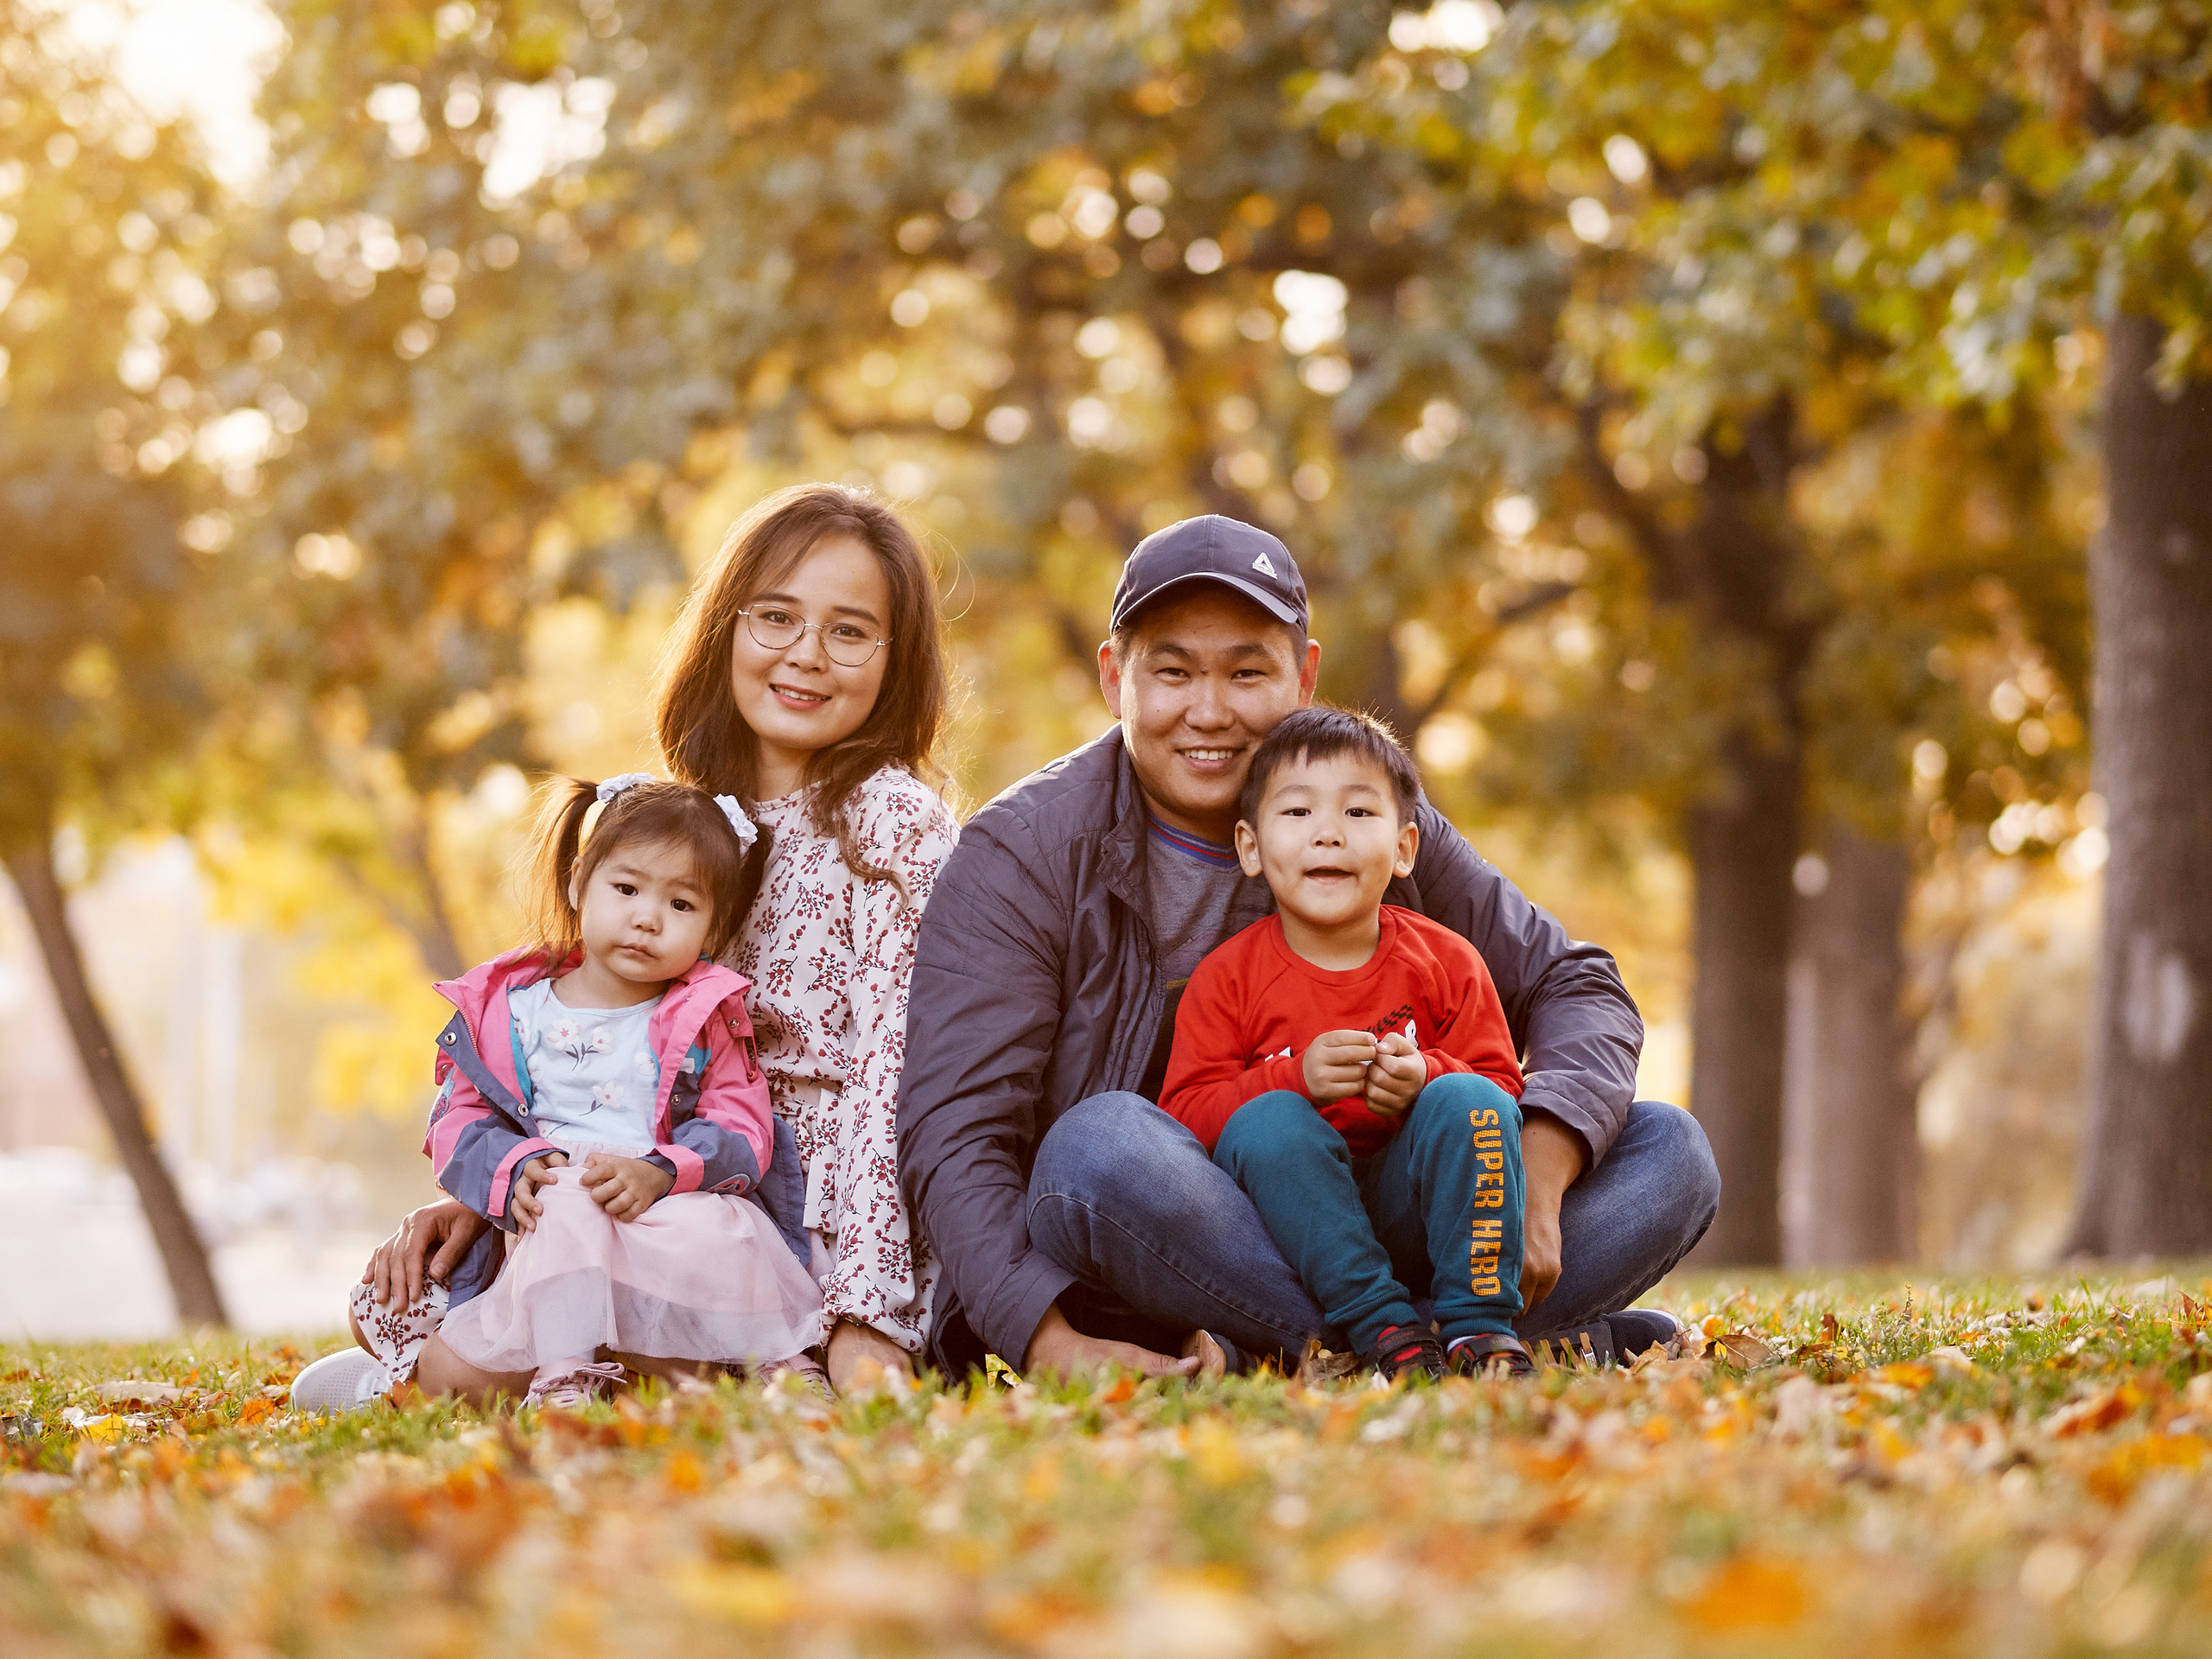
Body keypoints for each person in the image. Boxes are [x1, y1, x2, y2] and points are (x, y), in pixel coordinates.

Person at [898, 514, 1719, 1382]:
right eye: (1171, 672)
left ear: (1304, 676)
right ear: (1114, 678)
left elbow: (1571, 981)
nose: (1208, 712)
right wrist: (1045, 1340)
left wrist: (1540, 1178)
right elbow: (955, 1131)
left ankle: (1375, 1343)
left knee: (1667, 1154)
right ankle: (1447, 1341)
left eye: (1247, 671)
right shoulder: (1020, 854)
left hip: (1385, 1208)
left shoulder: (1363, 814)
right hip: (1170, 1241)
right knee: (1094, 1147)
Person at [302, 484, 958, 1408]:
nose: (806, 655)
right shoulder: (685, 826)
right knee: (436, 1285)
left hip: (812, 1218)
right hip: (649, 1182)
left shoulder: (889, 824)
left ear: (895, 661)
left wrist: (867, 1318)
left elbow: (897, 1078)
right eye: (775, 617)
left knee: (500, 1352)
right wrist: (496, 1189)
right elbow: (605, 1038)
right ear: (726, 627)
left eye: (850, 632)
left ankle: (498, 1379)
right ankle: (530, 1362)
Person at [320, 774, 824, 1409]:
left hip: (661, 1214)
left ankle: (779, 1366)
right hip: (559, 1228)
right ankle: (565, 1377)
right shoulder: (510, 1011)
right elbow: (460, 1119)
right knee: (555, 1213)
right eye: (627, 888)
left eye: (681, 905)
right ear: (579, 881)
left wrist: (661, 1172)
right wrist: (515, 1169)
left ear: (713, 925)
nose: (647, 917)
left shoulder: (706, 1015)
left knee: (733, 1230)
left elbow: (742, 1125)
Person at [1159, 707, 1533, 1381]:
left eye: (1359, 815)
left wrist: (1427, 1076)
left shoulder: (1446, 960)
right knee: (1269, 1123)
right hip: (1288, 1233)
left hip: (1418, 1213)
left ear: (1404, 848)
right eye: (1297, 814)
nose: (1328, 835)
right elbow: (1185, 1115)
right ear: (1250, 846)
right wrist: (1293, 1078)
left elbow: (1501, 1095)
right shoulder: (1227, 978)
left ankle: (1480, 1330)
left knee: (1469, 1099)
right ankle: (1384, 1329)